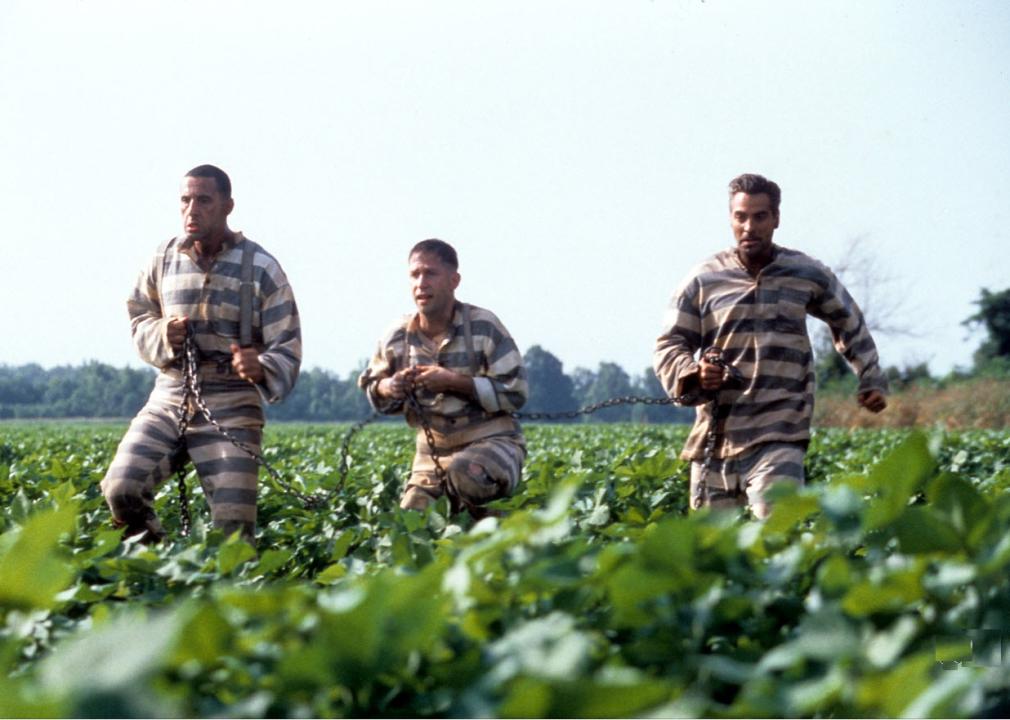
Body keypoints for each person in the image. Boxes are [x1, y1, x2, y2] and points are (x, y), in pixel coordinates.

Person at [653, 173, 888, 518]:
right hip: (716, 438)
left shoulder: (805, 273)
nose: (749, 226)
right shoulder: (703, 280)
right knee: (710, 555)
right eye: (740, 217)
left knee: (777, 535)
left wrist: (870, 378)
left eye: (760, 216)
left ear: (776, 218)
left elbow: (848, 320)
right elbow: (670, 343)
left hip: (781, 432)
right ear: (731, 218)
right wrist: (695, 374)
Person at [100, 165, 301, 543]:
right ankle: (157, 570)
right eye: (185, 200)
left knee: (233, 530)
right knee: (121, 488)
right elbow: (139, 314)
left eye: (204, 200)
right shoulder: (162, 259)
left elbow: (287, 344)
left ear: (227, 206)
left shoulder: (262, 268)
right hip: (170, 394)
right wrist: (163, 333)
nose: (192, 210)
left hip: (233, 400)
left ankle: (226, 595)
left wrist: (260, 366)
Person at [358, 239, 528, 516]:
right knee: (410, 523)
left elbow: (516, 391)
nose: (421, 283)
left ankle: (509, 538)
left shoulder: (484, 326)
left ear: (453, 280)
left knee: (467, 474)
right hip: (431, 452)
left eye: (431, 274)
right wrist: (391, 387)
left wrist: (452, 382)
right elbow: (372, 385)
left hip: (492, 442)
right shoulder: (397, 335)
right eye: (415, 275)